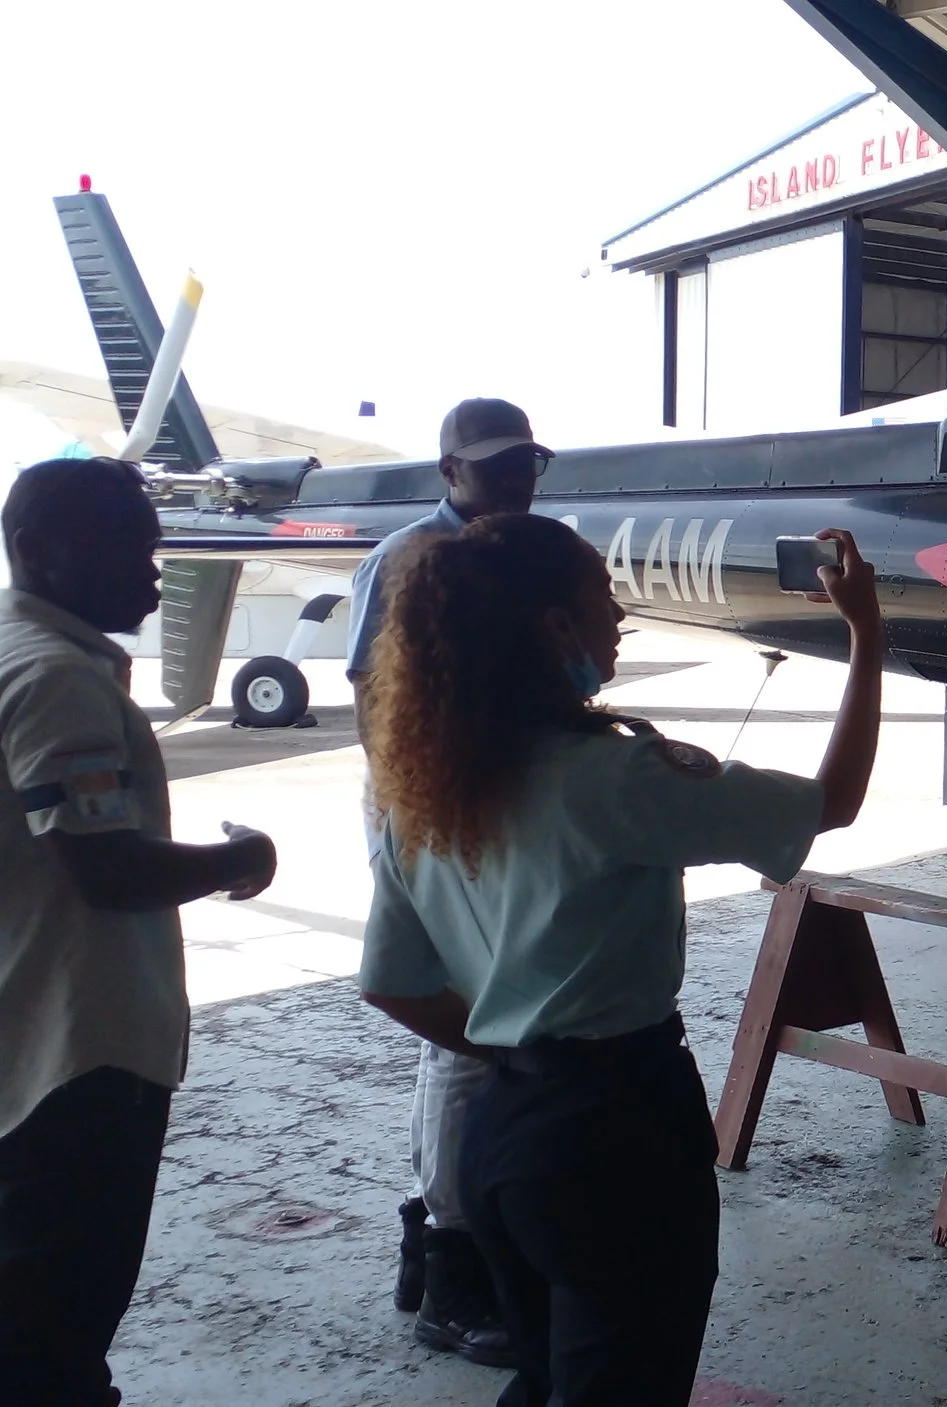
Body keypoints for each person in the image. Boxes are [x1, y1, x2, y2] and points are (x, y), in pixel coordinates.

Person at [354, 512, 885, 1407]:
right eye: (602, 598)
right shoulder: (614, 778)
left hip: (505, 1131)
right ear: (554, 626)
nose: (618, 618)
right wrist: (867, 634)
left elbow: (390, 981)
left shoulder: (427, 790)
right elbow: (831, 802)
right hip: (618, 1135)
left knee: (552, 1374)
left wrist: (518, 1052)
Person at [0, 457, 279, 1406]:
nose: (154, 572)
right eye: (128, 547)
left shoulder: (15, 648)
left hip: (25, 1030)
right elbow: (107, 868)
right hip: (82, 1053)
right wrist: (239, 858)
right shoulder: (56, 682)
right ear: (40, 552)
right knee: (60, 1318)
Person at [345, 397, 552, 1366]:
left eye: (527, 465)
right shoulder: (408, 561)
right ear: (448, 472)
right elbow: (374, 698)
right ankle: (450, 1262)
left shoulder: (528, 548)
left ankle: (455, 1242)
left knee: (498, 1018)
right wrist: (408, 822)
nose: (516, 482)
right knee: (463, 1027)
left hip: (507, 804)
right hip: (431, 808)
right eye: (495, 468)